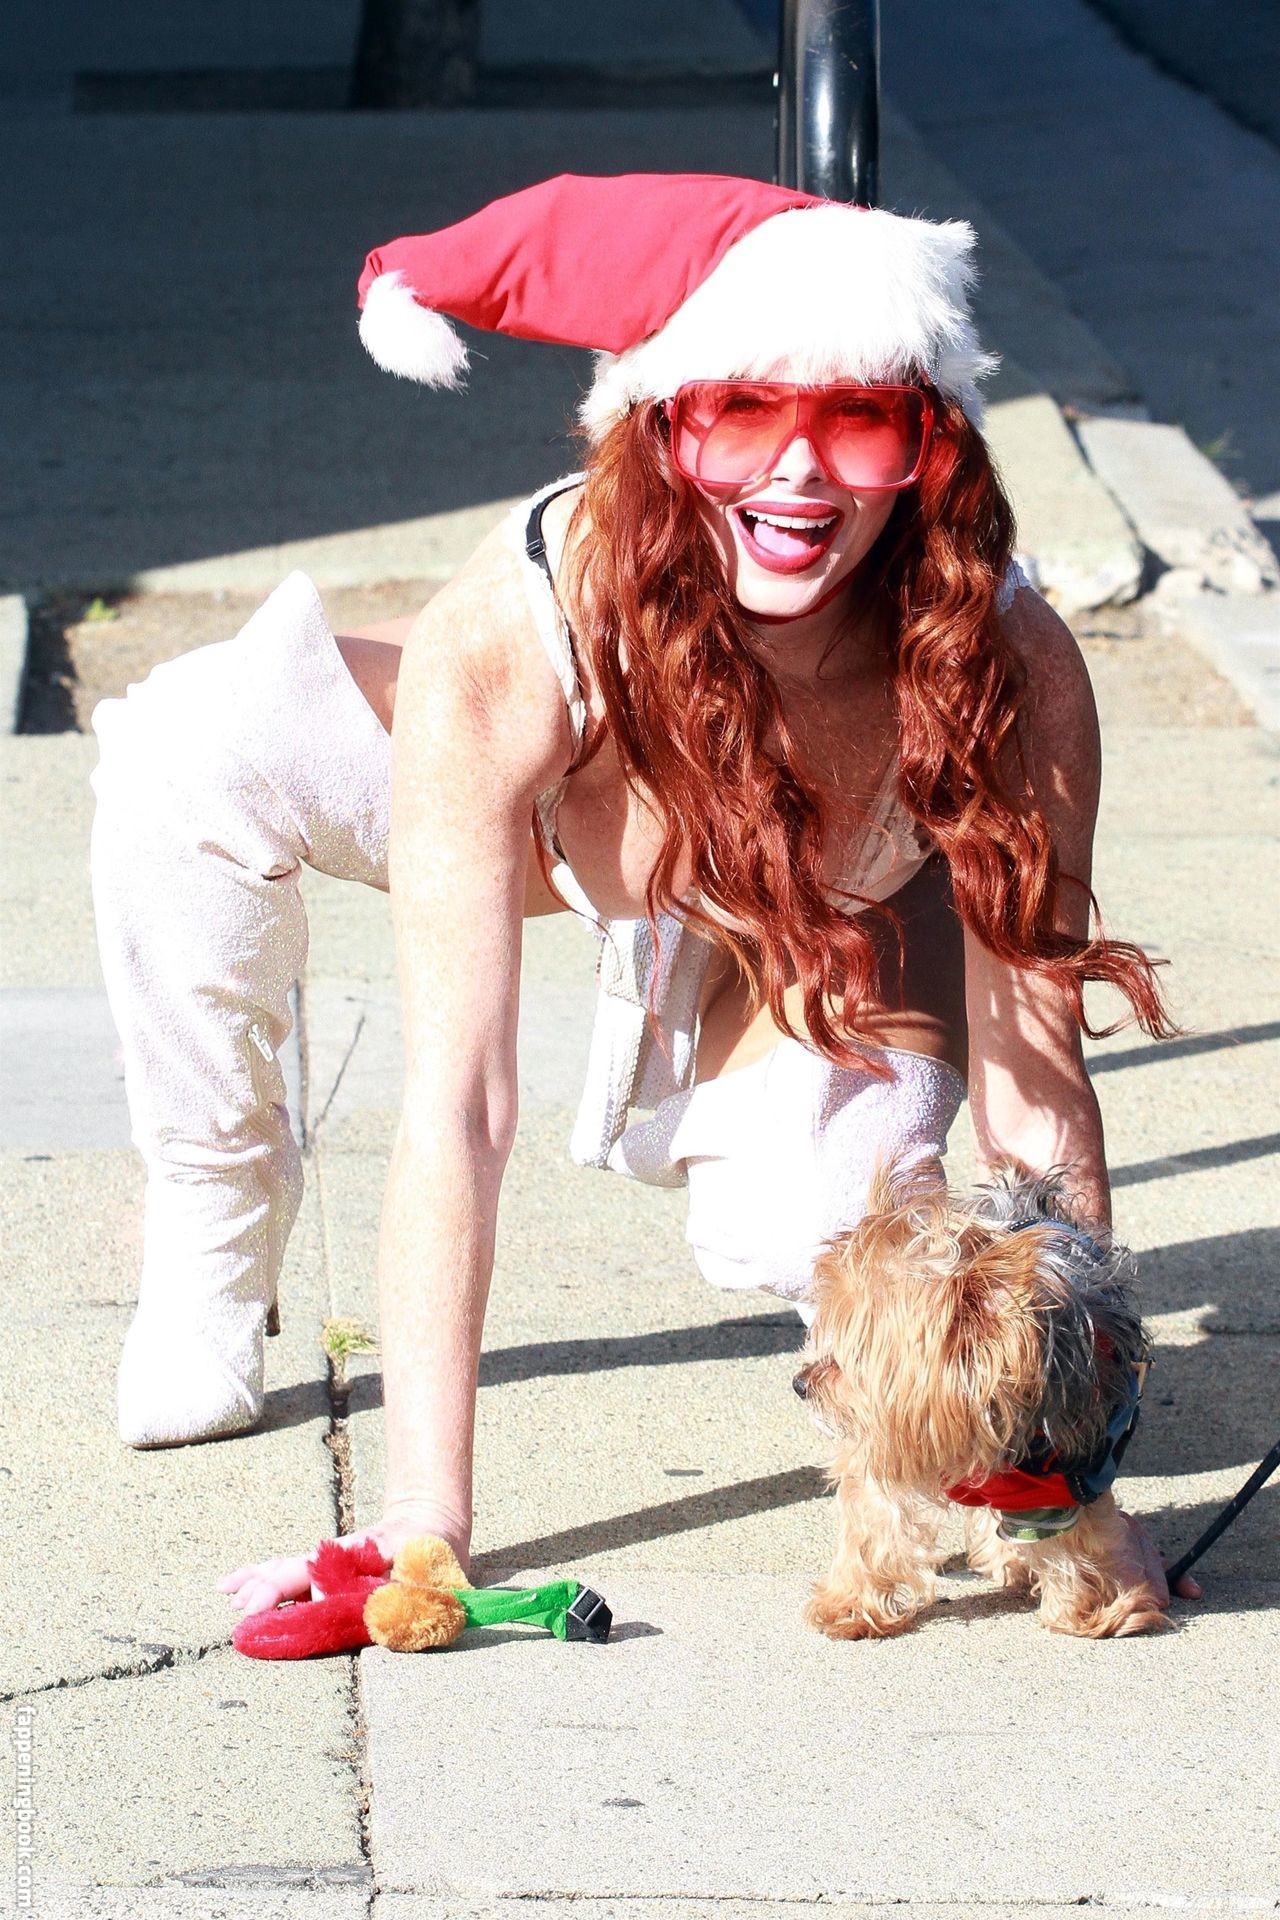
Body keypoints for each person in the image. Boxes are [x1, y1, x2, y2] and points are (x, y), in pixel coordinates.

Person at [86, 173, 1198, 1618]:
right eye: (741, 412)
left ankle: (939, 1422)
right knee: (185, 751)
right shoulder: (511, 635)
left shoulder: (1005, 662)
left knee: (806, 1218)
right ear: (663, 426)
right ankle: (214, 1209)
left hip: (813, 912)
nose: (798, 475)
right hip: (574, 813)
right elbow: (462, 1101)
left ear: (930, 447)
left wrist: (1078, 1478)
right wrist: (424, 1516)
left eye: (859, 420)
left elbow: (1039, 1086)